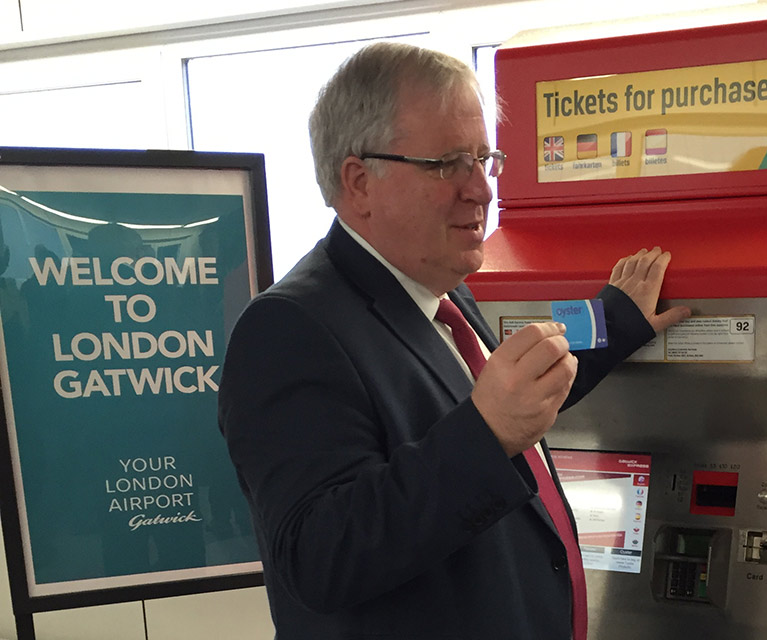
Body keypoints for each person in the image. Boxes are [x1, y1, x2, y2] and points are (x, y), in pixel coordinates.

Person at [218, 42, 689, 640]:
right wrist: (488, 433)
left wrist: (615, 324)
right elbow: (320, 558)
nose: (482, 190)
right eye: (447, 164)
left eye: (484, 158)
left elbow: (483, 405)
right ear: (359, 182)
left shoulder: (440, 294)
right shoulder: (288, 330)